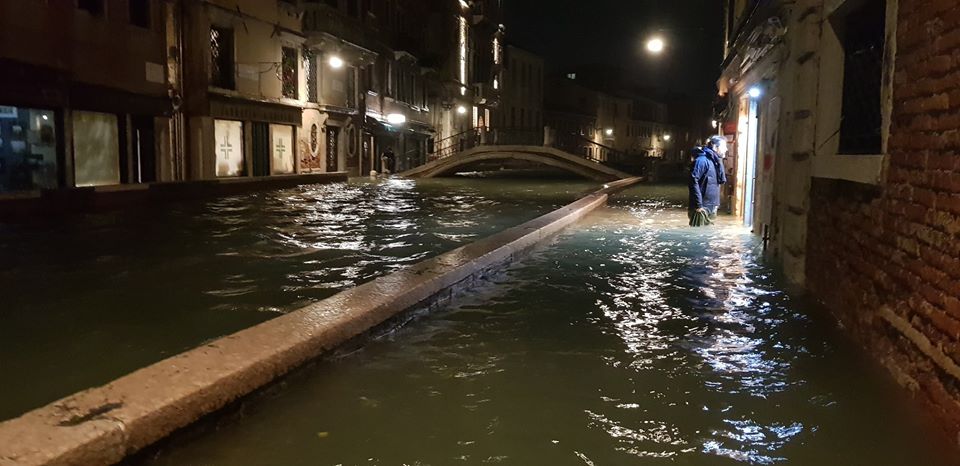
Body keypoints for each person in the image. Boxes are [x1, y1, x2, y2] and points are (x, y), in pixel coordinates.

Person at [689, 135, 728, 225]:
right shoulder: (702, 161)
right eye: (724, 146)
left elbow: (720, 180)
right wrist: (698, 205)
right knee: (699, 236)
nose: (726, 149)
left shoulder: (716, 161)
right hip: (701, 208)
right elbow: (693, 181)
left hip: (712, 206)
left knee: (709, 235)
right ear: (715, 147)